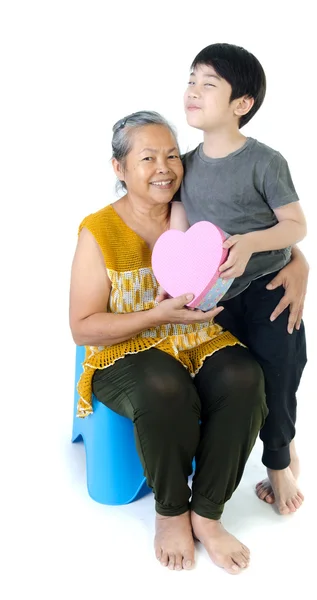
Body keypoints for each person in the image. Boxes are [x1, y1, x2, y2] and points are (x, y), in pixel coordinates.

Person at [69, 111, 270, 575]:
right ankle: (171, 509)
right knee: (166, 390)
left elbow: (264, 226)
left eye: (172, 155)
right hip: (124, 350)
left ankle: (208, 511)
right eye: (147, 157)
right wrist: (155, 315)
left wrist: (298, 261)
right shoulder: (98, 230)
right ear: (119, 168)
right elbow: (81, 327)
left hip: (195, 337)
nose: (164, 167)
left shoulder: (196, 207)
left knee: (245, 379)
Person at [170, 43, 309, 515]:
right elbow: (177, 234)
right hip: (218, 299)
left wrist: (252, 242)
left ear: (241, 104)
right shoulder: (185, 166)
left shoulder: (264, 161)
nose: (193, 91)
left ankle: (278, 461)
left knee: (281, 370)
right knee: (227, 382)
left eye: (208, 84)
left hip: (268, 289)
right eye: (191, 80)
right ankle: (247, 452)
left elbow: (295, 226)